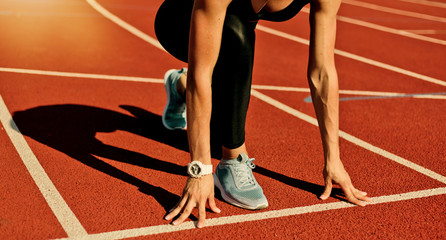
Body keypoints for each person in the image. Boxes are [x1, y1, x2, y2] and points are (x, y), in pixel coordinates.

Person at [155, 0, 371, 228]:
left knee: (236, 40)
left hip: (231, 27)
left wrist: (333, 160)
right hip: (180, 20)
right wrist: (200, 170)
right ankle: (232, 161)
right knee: (237, 34)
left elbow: (323, 73)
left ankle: (179, 84)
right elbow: (201, 71)